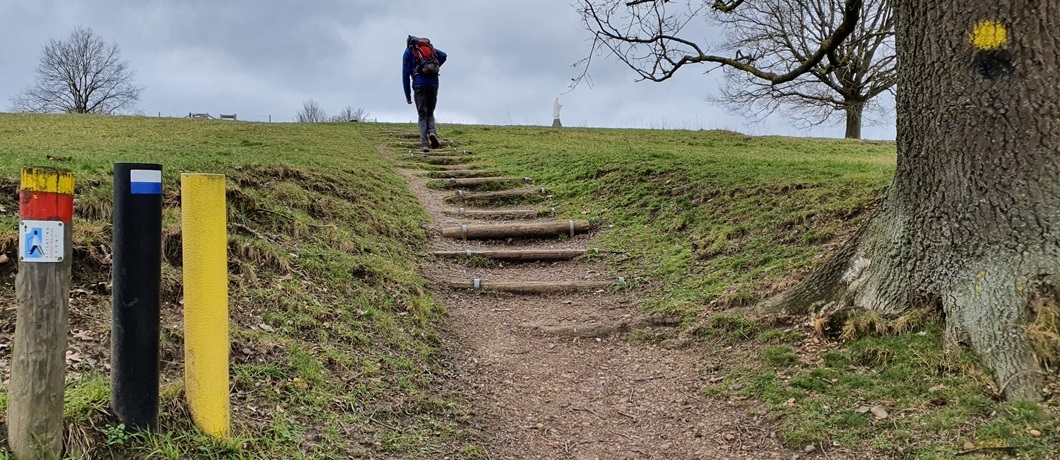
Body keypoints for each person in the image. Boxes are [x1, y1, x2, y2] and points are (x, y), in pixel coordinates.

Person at [403, 36, 448, 152]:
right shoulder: (429, 49)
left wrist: (407, 95)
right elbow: (443, 55)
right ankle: (432, 132)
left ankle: (424, 144)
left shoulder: (408, 53)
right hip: (433, 83)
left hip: (419, 85)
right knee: (430, 112)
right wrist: (433, 67)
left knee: (422, 114)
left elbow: (405, 76)